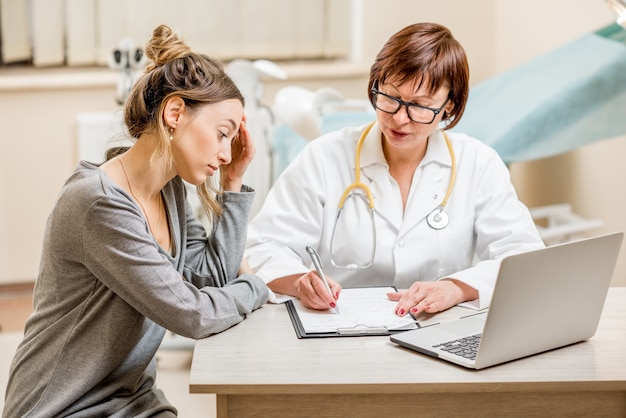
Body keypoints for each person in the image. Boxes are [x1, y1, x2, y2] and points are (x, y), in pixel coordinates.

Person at [2, 24, 268, 417]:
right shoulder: (97, 204)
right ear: (175, 112)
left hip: (131, 400)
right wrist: (256, 286)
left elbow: (212, 278)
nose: (227, 153)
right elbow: (192, 313)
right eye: (222, 134)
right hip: (62, 406)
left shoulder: (170, 190)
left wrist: (233, 184)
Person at [245, 22, 544, 316]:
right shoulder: (324, 157)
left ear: (449, 105)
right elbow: (263, 246)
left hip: (436, 326)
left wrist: (457, 287)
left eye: (420, 106)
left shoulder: (478, 163)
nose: (400, 119)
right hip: (342, 329)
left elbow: (524, 257)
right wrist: (299, 282)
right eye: (390, 98)